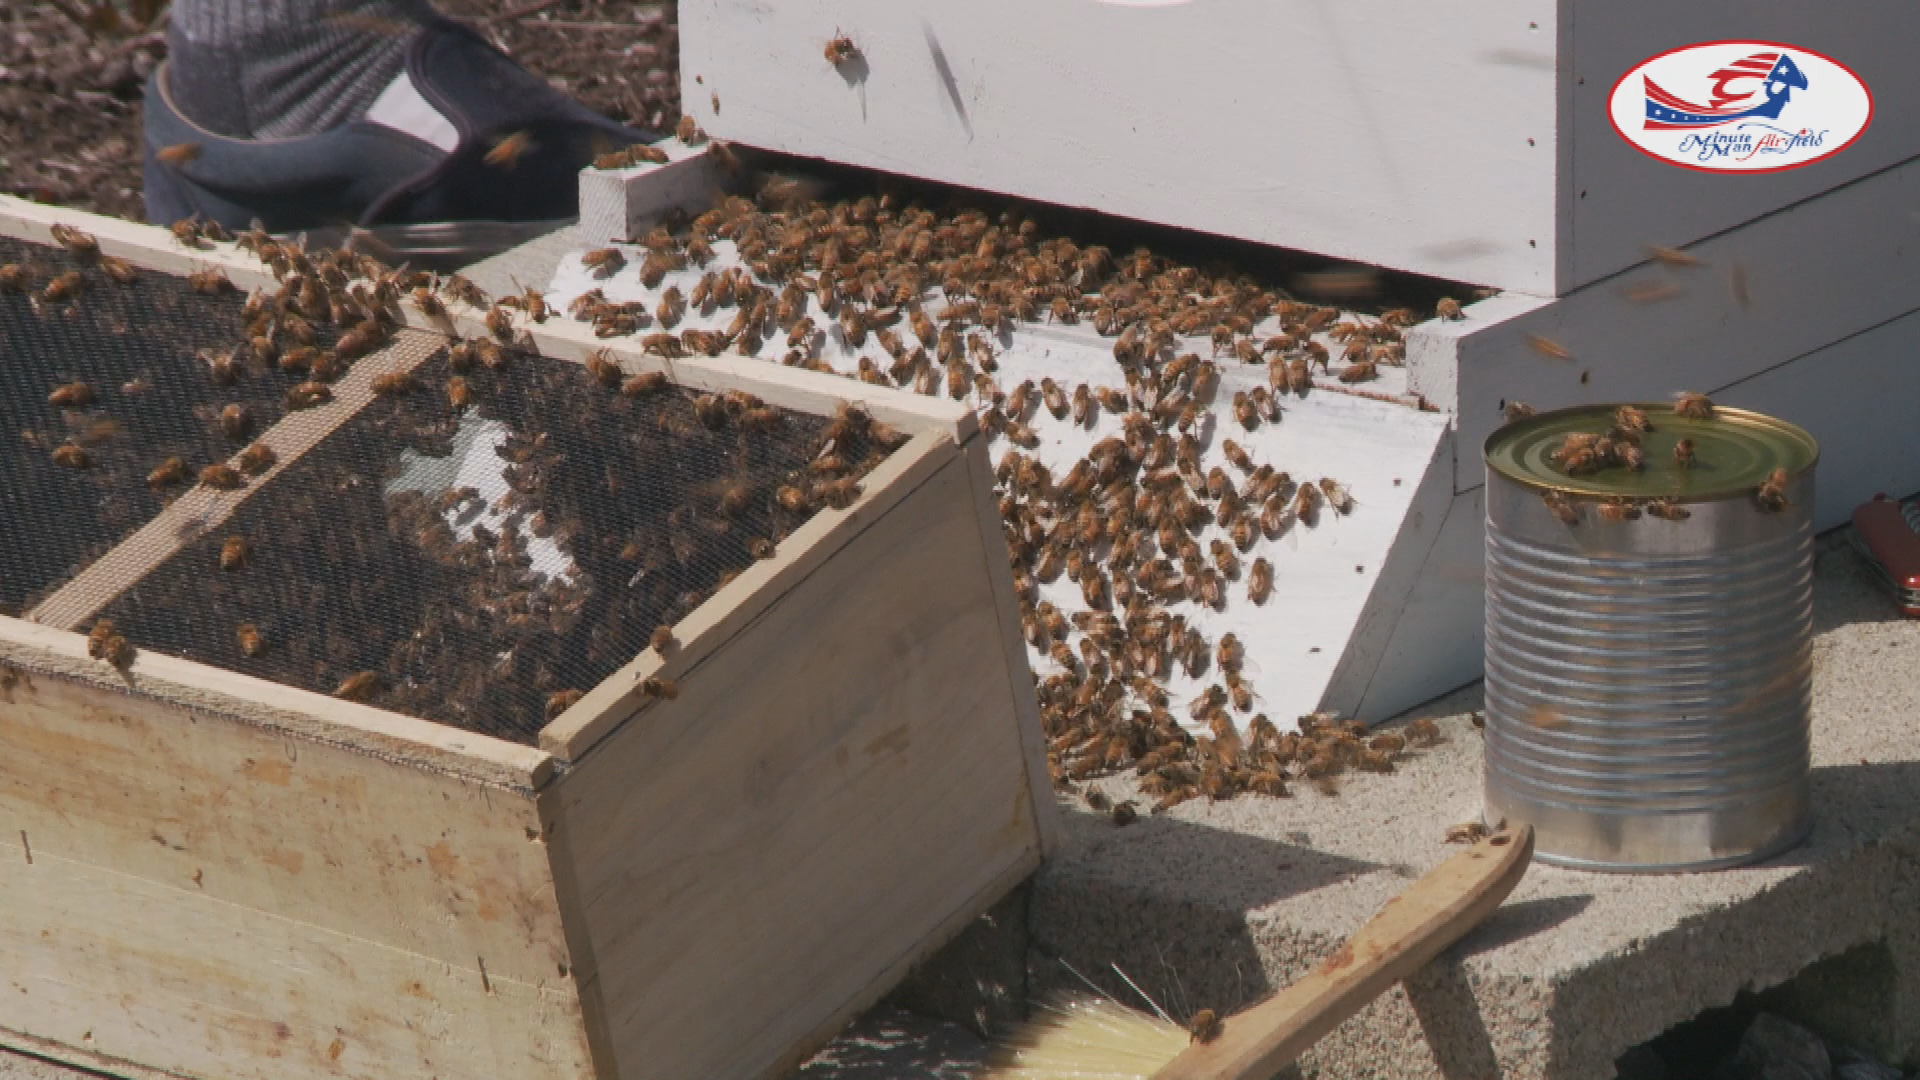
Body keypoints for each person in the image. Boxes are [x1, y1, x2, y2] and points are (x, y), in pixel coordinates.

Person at [144, 0, 655, 265]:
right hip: (359, 91)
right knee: (658, 185)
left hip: (193, 118)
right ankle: (318, 76)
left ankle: (220, 92)